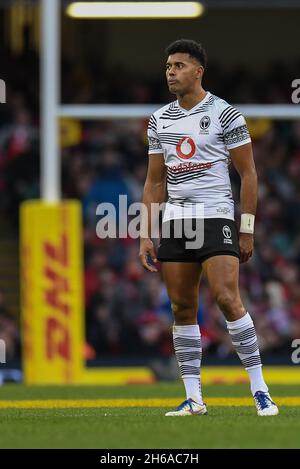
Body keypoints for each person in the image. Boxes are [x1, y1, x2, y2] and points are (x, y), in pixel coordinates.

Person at [139, 39, 278, 417]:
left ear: (198, 71)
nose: (171, 71)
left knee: (226, 298)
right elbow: (154, 183)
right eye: (168, 65)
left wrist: (246, 229)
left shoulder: (224, 114)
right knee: (182, 307)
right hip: (176, 221)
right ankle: (194, 398)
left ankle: (260, 389)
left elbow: (248, 174)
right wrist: (146, 233)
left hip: (216, 216)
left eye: (179, 65)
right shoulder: (159, 120)